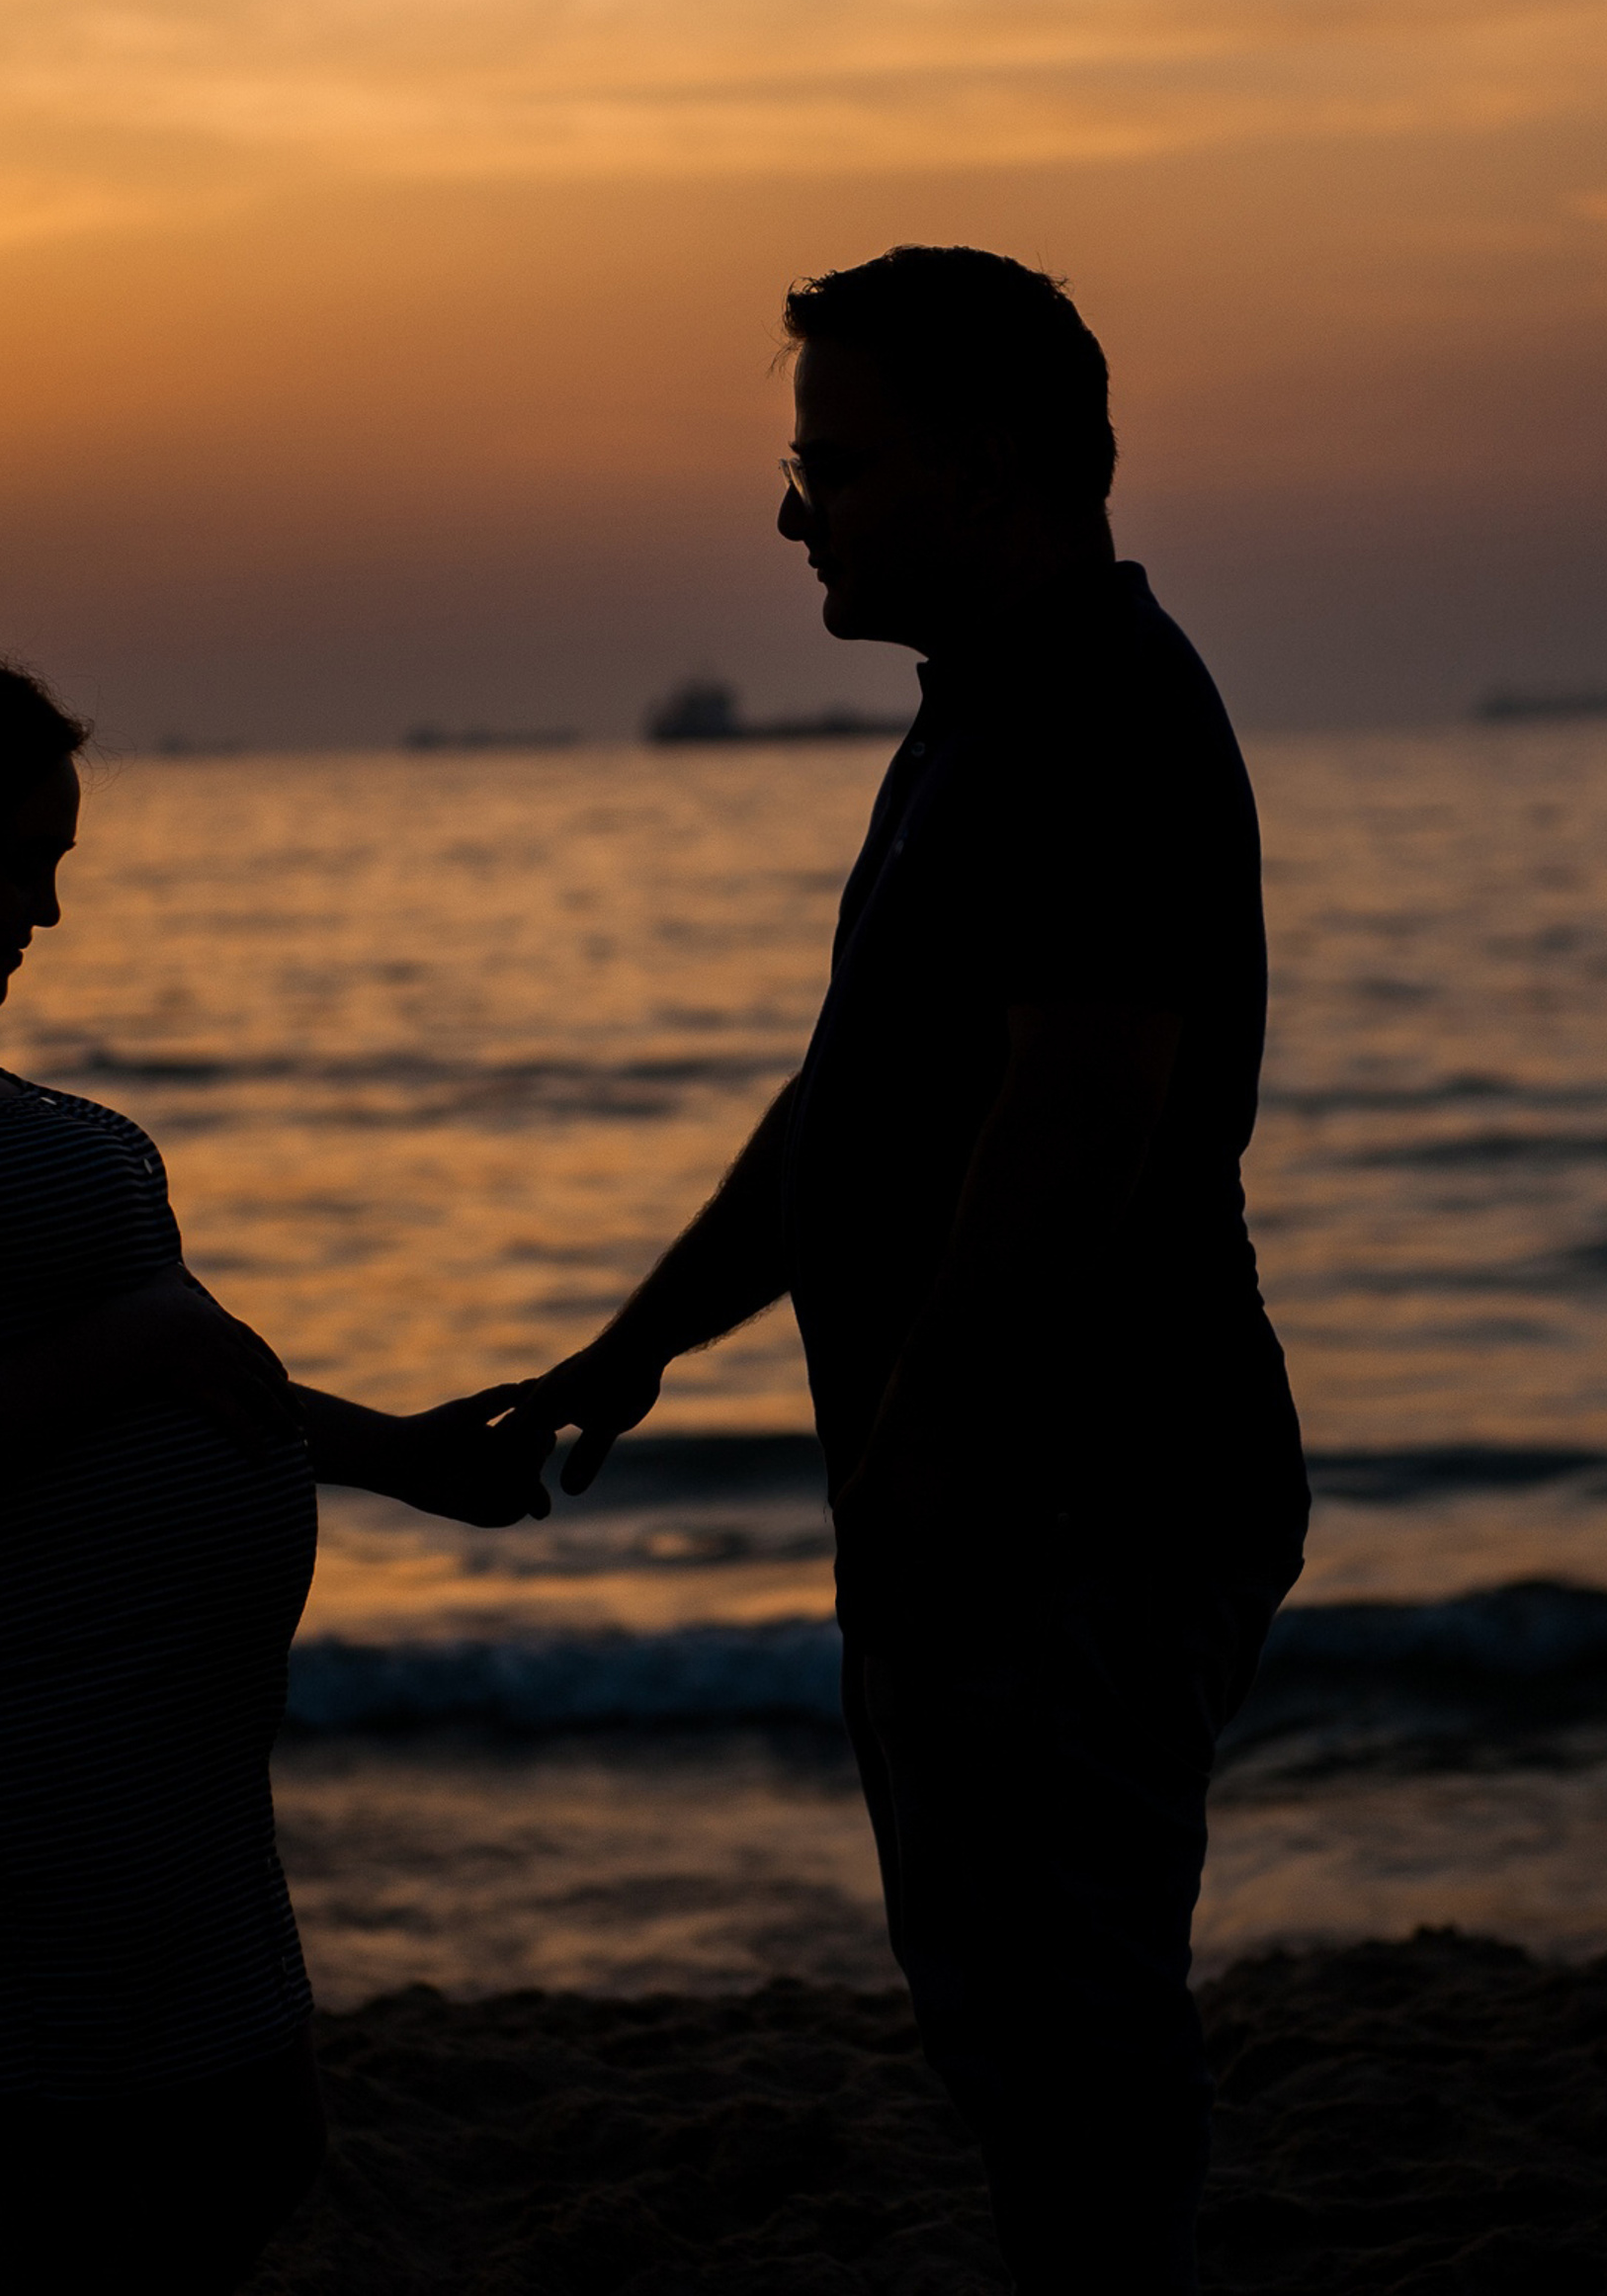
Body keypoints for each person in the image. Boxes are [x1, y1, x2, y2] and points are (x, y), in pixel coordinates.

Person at [521, 245, 1310, 2291]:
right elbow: (848, 1109)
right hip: (1006, 1499)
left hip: (1081, 1499)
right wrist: (638, 1345)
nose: (790, 514)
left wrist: (934, 1451)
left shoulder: (1097, 719)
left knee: (1065, 2019)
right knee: (1007, 2013)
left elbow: (1078, 1114)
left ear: (986, 468)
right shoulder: (989, 713)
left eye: (832, 465)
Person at [0, 629, 552, 2294]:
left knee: (197, 2171)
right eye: (23, 862)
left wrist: (398, 1458)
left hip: (104, 1737)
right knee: (103, 2200)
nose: (49, 909)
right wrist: (135, 1348)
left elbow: (162, 1370)